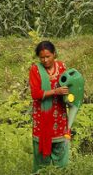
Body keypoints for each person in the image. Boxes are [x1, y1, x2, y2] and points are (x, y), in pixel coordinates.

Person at [29, 40, 70, 172]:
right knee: (41, 156)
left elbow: (70, 84)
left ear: (54, 54)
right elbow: (35, 94)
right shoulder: (35, 70)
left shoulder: (62, 67)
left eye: (48, 56)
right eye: (42, 57)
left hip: (60, 116)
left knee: (61, 150)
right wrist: (55, 92)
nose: (45, 60)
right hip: (42, 118)